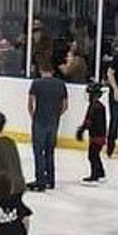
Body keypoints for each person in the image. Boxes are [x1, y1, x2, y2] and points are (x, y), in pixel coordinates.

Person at [26, 62, 67, 191]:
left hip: (39, 121)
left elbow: (30, 104)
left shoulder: (37, 83)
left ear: (41, 69)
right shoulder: (61, 84)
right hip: (53, 121)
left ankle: (40, 181)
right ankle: (50, 179)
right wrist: (56, 115)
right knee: (50, 151)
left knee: (38, 152)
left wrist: (34, 117)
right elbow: (65, 105)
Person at [75, 82, 108, 184]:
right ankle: (101, 172)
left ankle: (95, 174)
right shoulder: (98, 106)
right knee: (95, 155)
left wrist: (82, 129)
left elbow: (89, 121)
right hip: (99, 135)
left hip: (97, 136)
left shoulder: (95, 107)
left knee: (92, 155)